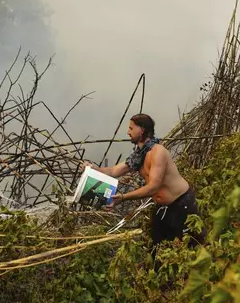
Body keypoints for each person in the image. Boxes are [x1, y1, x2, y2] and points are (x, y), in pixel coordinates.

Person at [81, 113, 206, 265]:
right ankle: (161, 285)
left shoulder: (157, 152)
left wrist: (123, 197)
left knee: (195, 248)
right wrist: (94, 169)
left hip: (182, 205)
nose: (128, 132)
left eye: (131, 128)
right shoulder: (138, 156)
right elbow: (114, 171)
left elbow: (153, 187)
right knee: (156, 251)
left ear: (142, 130)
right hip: (163, 207)